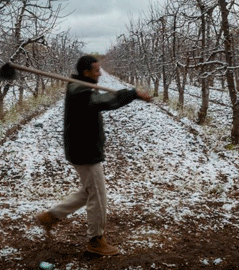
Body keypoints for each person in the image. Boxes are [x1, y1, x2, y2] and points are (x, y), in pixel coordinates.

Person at [36, 55, 152, 256]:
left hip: (83, 148)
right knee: (98, 196)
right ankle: (95, 240)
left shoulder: (82, 87)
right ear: (86, 72)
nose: (100, 73)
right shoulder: (79, 91)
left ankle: (51, 216)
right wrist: (132, 94)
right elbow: (104, 101)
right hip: (85, 151)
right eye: (96, 70)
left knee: (90, 191)